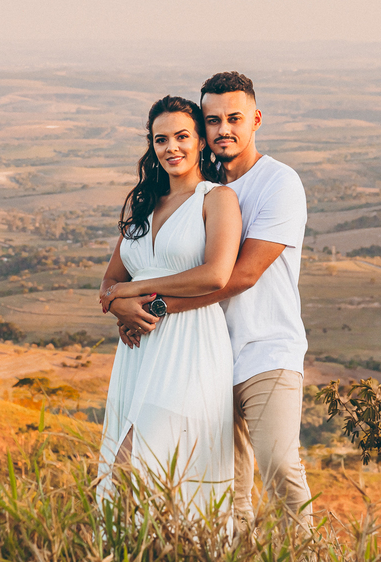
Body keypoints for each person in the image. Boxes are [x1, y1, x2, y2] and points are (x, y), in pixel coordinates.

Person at [109, 72, 313, 528]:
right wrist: (122, 301)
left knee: (280, 467)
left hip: (265, 350)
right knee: (226, 491)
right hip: (207, 356)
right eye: (213, 120)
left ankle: (306, 553)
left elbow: (240, 275)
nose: (224, 129)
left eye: (234, 119)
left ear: (255, 119)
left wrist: (148, 306)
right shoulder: (192, 188)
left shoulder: (278, 183)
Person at [95, 95, 243, 516]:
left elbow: (216, 274)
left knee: (151, 470)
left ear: (200, 142)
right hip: (138, 354)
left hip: (191, 347)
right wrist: (120, 304)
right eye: (161, 139)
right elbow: (109, 282)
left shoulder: (216, 199)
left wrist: (137, 291)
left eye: (182, 136)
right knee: (121, 477)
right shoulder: (145, 206)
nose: (171, 147)